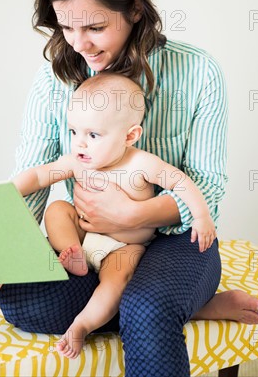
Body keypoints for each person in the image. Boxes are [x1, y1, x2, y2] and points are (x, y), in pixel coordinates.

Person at [0, 0, 258, 376]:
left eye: (95, 27)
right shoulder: (53, 79)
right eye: (65, 26)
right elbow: (34, 181)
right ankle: (193, 306)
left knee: (147, 305)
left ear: (135, 9)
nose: (80, 43)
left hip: (176, 241)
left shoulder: (199, 72)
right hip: (93, 244)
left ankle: (159, 303)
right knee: (21, 299)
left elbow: (206, 187)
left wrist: (134, 216)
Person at [12, 72, 217, 358]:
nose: (80, 143)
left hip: (123, 248)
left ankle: (82, 325)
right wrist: (8, 192)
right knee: (58, 210)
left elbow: (181, 182)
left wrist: (201, 216)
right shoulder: (77, 162)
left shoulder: (141, 163)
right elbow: (38, 175)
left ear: (130, 135)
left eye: (93, 135)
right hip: (85, 236)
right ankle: (70, 252)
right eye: (74, 132)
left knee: (115, 281)